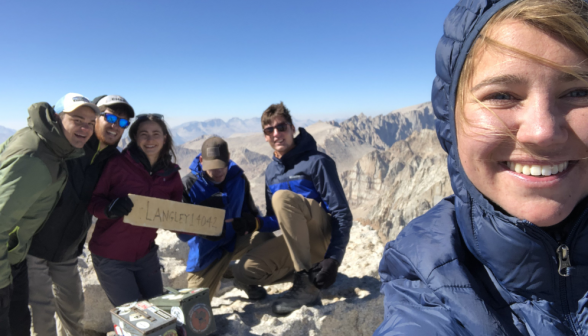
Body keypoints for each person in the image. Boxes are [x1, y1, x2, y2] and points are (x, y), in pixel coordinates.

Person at [375, 0, 588, 334]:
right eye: (501, 95)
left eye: (578, 91)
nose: (542, 132)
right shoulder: (426, 276)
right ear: (450, 120)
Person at [27, 95, 134, 336]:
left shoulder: (115, 161)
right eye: (110, 117)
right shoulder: (66, 146)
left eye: (123, 122)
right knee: (42, 314)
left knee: (74, 310)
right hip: (34, 244)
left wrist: (112, 207)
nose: (116, 125)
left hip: (67, 249)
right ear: (95, 118)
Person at [233, 102, 353, 315]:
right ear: (265, 136)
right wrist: (256, 223)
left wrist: (334, 258)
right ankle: (308, 275)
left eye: (282, 127)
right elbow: (276, 218)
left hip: (321, 235)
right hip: (300, 244)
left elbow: (341, 213)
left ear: (292, 128)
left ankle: (307, 288)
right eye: (270, 130)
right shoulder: (271, 172)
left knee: (282, 197)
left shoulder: (317, 162)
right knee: (245, 271)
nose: (276, 133)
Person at [0, 93, 99, 336]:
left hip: (14, 257)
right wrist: (4, 283)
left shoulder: (50, 145)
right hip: (6, 268)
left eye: (90, 123)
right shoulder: (37, 157)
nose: (85, 128)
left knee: (20, 324)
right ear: (57, 117)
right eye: (77, 120)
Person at [87, 113, 182, 307]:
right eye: (143, 134)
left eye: (156, 133)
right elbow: (93, 201)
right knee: (136, 317)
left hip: (146, 256)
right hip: (111, 256)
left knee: (160, 311)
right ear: (135, 138)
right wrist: (110, 209)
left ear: (165, 138)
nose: (150, 139)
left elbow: (176, 218)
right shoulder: (117, 165)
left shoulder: (171, 175)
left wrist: (207, 230)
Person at [178, 136, 276, 300]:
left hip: (234, 242)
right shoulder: (187, 186)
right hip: (205, 254)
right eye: (212, 167)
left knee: (266, 238)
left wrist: (246, 222)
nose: (218, 172)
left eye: (222, 166)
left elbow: (251, 213)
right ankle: (228, 272)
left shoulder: (238, 178)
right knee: (194, 307)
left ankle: (245, 278)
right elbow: (181, 233)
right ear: (201, 160)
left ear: (228, 158)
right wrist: (203, 230)